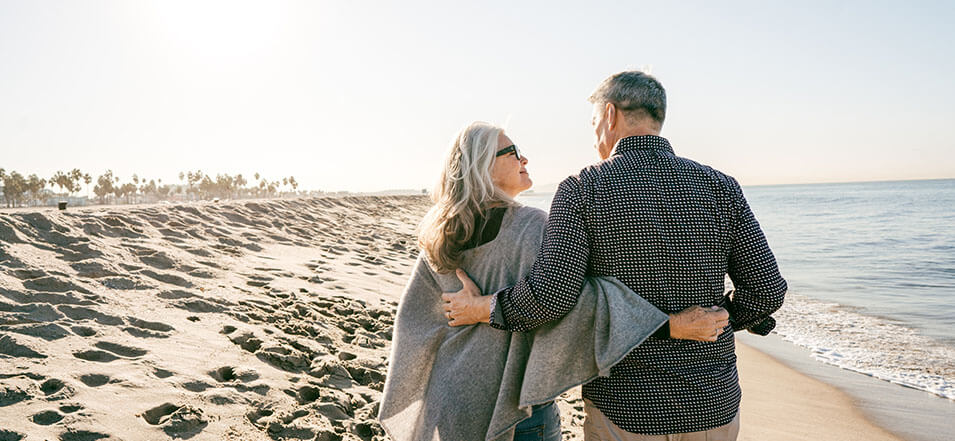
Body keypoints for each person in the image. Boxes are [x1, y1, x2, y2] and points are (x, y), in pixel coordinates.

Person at [444, 72, 787, 441]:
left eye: (593, 124)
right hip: (711, 403)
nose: (594, 138)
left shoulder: (582, 189)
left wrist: (484, 308)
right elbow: (767, 291)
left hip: (626, 405)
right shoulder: (720, 186)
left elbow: (552, 297)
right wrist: (720, 320)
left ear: (609, 115)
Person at [378, 121, 727, 441]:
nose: (523, 158)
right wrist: (668, 325)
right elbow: (575, 302)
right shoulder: (533, 226)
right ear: (483, 166)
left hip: (452, 396)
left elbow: (414, 322)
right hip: (514, 401)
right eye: (511, 152)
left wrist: (470, 312)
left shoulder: (439, 234)